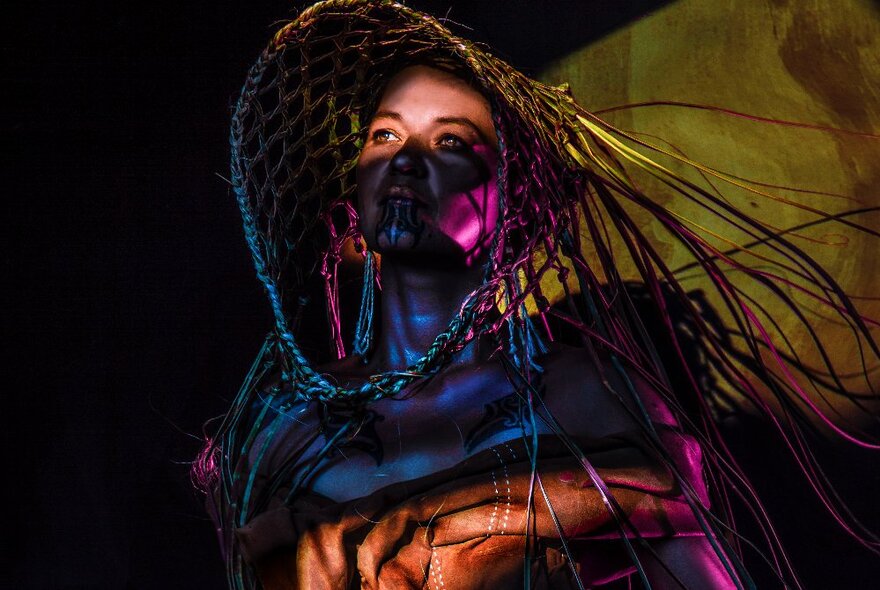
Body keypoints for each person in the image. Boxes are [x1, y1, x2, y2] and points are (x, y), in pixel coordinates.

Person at [195, 2, 879, 588]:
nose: (407, 157)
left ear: (510, 199)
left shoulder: (582, 393)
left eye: (452, 141)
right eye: (386, 134)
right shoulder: (286, 432)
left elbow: (696, 567)